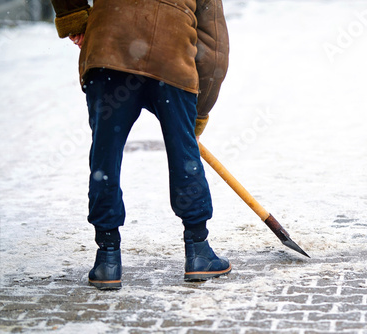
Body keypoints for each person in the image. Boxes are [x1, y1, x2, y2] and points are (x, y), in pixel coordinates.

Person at [50, 0, 231, 289]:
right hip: (171, 58)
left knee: (104, 156)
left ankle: (107, 258)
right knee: (184, 153)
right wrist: (197, 114)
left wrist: (74, 16)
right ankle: (198, 251)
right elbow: (214, 47)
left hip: (111, 48)